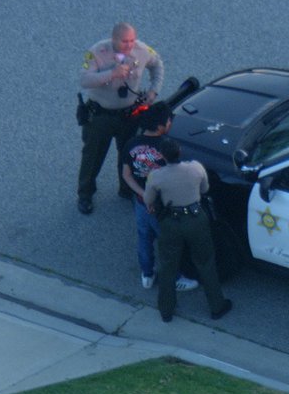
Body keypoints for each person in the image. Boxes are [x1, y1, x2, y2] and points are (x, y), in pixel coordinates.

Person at [77, 22, 164, 215]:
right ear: (114, 39)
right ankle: (85, 194)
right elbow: (84, 79)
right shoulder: (97, 52)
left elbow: (157, 65)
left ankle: (127, 189)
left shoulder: (142, 50)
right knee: (93, 156)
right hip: (101, 116)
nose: (129, 44)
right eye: (125, 41)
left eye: (132, 40)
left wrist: (153, 91)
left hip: (129, 114)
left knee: (129, 153)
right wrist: (110, 74)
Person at [143, 138, 232, 323]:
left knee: (168, 265)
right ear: (180, 152)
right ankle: (217, 305)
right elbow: (205, 188)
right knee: (206, 262)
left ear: (162, 156)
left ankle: (166, 310)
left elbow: (148, 200)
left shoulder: (156, 176)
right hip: (195, 218)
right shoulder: (196, 168)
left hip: (171, 221)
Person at [121, 102, 199, 293]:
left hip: (140, 203)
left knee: (144, 237)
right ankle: (176, 277)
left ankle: (147, 274)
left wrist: (143, 195)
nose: (170, 123)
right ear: (160, 126)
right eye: (168, 120)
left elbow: (126, 174)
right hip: (161, 205)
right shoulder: (166, 147)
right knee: (168, 242)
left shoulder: (131, 143)